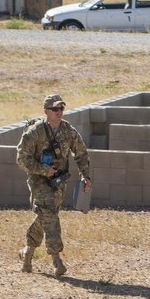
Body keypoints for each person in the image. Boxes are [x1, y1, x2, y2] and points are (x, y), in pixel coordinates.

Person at [16, 94, 91, 277]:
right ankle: (56, 260)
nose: (59, 112)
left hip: (58, 181)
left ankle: (27, 252)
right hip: (38, 180)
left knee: (46, 216)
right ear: (46, 111)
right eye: (55, 109)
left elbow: (80, 152)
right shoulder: (35, 132)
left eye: (61, 109)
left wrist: (85, 176)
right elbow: (21, 159)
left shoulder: (68, 130)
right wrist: (43, 169)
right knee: (49, 213)